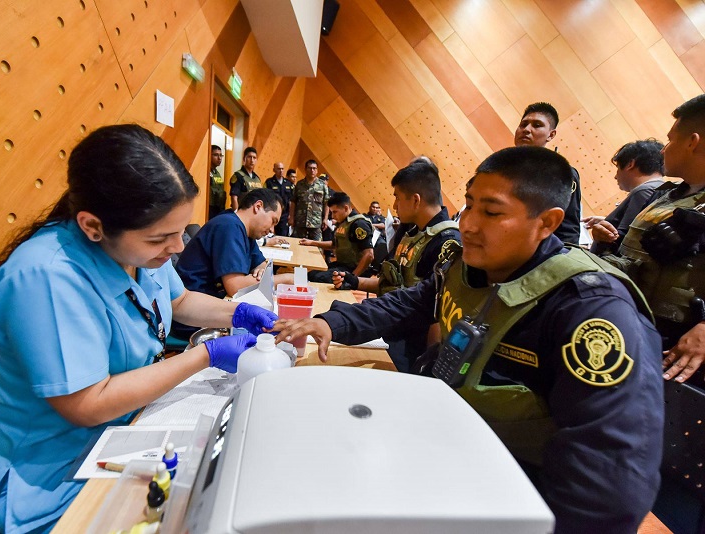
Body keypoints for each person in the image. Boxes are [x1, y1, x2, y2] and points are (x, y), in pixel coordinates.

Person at [276, 146, 663, 534]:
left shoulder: (591, 312)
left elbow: (608, 479)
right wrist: (331, 323)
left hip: (515, 499)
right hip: (448, 459)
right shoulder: (470, 265)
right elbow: (410, 303)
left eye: (492, 213)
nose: (469, 224)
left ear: (547, 222)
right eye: (469, 206)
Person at [0, 125, 276, 533]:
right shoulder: (46, 276)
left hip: (123, 434)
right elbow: (88, 403)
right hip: (46, 481)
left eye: (181, 231)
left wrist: (235, 313)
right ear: (93, 226)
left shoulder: (136, 255)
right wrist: (206, 355)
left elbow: (179, 301)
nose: (179, 247)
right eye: (161, 238)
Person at [601, 95, 705, 384]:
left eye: (670, 140)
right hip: (633, 329)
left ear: (692, 142)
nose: (664, 149)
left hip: (671, 353)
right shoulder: (671, 195)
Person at [331, 159, 460, 371]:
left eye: (397, 198)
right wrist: (354, 281)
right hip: (392, 328)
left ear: (416, 200)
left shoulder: (445, 242)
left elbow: (435, 312)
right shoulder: (413, 234)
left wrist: (426, 367)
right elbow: (392, 284)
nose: (394, 206)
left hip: (412, 349)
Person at [175, 187, 293, 300]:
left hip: (213, 300)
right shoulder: (229, 226)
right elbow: (236, 287)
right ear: (258, 206)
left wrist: (261, 272)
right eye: (273, 221)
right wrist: (286, 279)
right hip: (195, 306)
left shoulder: (247, 231)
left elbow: (261, 265)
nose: (272, 230)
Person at [514, 102, 581, 244]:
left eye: (537, 125)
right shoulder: (502, 166)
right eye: (523, 124)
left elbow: (568, 228)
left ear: (551, 135)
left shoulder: (562, 173)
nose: (526, 129)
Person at [584, 139, 665, 255]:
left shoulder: (644, 191)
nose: (615, 177)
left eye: (618, 168)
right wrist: (607, 222)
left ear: (630, 164)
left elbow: (619, 239)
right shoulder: (660, 188)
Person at [299, 192, 374, 285]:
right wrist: (312, 243)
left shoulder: (359, 224)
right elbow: (334, 244)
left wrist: (352, 278)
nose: (333, 216)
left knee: (317, 278)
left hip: (353, 269)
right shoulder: (343, 223)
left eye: (335, 212)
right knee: (311, 274)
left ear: (346, 208)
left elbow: (369, 255)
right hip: (342, 265)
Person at [289, 159, 330, 240]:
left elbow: (326, 203)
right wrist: (291, 217)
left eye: (314, 168)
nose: (312, 170)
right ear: (305, 169)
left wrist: (325, 219)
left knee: (317, 247)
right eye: (310, 168)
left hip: (315, 222)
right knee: (298, 245)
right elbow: (293, 201)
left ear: (317, 170)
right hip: (300, 221)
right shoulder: (299, 184)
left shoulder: (322, 185)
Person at [264, 162, 295, 236]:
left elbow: (291, 200)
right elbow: (266, 198)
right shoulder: (269, 182)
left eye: (282, 169)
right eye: (278, 169)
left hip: (284, 215)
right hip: (272, 213)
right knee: (270, 234)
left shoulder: (288, 183)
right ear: (274, 170)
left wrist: (291, 215)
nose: (281, 171)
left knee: (283, 235)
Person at [228, 146, 262, 211]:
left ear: (256, 160)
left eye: (254, 158)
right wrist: (236, 214)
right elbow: (234, 197)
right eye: (249, 157)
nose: (252, 160)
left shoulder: (257, 178)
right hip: (243, 212)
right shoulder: (238, 176)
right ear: (244, 159)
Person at [208, 145, 226, 220]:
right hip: (210, 208)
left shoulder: (217, 173)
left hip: (219, 207)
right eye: (216, 155)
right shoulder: (206, 171)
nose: (219, 158)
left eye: (220, 155)